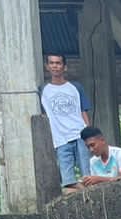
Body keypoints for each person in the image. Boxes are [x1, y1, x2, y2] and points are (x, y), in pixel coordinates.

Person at [40, 52, 91, 191]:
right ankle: (86, 192)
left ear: (65, 67)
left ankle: (91, 193)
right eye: (52, 63)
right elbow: (43, 115)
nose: (55, 66)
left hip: (80, 134)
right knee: (68, 180)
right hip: (60, 139)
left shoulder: (76, 87)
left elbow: (83, 111)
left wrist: (88, 133)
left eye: (58, 63)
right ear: (47, 66)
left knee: (88, 174)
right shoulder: (43, 90)